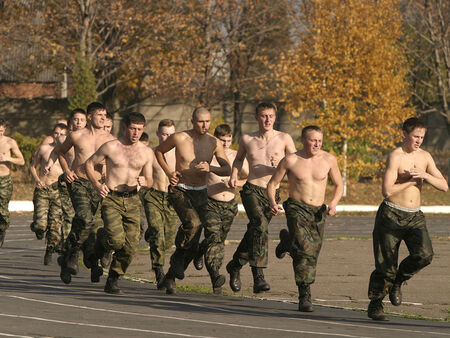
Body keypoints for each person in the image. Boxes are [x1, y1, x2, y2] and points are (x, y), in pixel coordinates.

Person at [367, 117, 448, 321]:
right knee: (386, 267)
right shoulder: (396, 156)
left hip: (415, 217)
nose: (419, 140)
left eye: (422, 137)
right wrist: (411, 180)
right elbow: (386, 190)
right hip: (391, 214)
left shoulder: (425, 157)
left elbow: (444, 186)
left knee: (424, 254)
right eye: (415, 136)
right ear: (404, 134)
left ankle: (398, 281)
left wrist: (425, 176)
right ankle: (376, 303)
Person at [267, 125, 343, 312]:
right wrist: (272, 202)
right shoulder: (291, 160)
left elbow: (339, 184)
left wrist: (333, 203)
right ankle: (304, 294)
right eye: (312, 140)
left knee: (313, 249)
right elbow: (273, 184)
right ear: (303, 140)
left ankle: (288, 244)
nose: (316, 144)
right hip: (296, 208)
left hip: (318, 210)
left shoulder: (329, 159)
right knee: (305, 248)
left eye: (319, 140)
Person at [155, 107, 231, 294]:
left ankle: (171, 275)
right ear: (192, 121)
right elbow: (158, 152)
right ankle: (179, 262)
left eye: (207, 121)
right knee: (193, 224)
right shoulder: (180, 138)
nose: (205, 125)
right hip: (180, 189)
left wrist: (211, 168)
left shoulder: (214, 142)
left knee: (205, 234)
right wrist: (169, 172)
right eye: (200, 121)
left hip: (201, 192)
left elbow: (227, 169)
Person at [226, 102, 296, 294]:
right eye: (264, 116)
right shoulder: (247, 139)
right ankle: (259, 276)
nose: (267, 120)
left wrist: (281, 166)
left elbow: (295, 163)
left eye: (271, 116)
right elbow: (239, 159)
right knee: (260, 225)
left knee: (255, 231)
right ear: (257, 117)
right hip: (252, 190)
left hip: (272, 192)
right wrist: (234, 175)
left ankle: (235, 264)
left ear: (275, 118)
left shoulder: (284, 138)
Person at [48, 102, 115, 284]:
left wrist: (106, 170)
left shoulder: (110, 139)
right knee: (85, 218)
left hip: (99, 186)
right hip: (79, 182)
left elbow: (113, 160)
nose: (103, 118)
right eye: (99, 115)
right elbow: (60, 152)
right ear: (90, 117)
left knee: (92, 227)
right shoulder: (77, 135)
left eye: (105, 115)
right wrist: (67, 170)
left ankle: (79, 257)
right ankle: (73, 255)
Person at [86, 112, 154, 294]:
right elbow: (89, 164)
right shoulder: (111, 147)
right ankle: (101, 240)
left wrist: (145, 182)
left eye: (139, 129)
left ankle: (113, 279)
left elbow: (150, 179)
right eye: (132, 128)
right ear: (124, 127)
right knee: (116, 240)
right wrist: (97, 184)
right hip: (112, 198)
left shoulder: (146, 152)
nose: (135, 133)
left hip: (132, 200)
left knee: (130, 245)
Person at [195, 124, 249, 293]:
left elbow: (249, 177)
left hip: (230, 204)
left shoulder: (236, 157)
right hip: (211, 203)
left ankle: (200, 250)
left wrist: (236, 182)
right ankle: (216, 275)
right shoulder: (208, 157)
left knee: (218, 239)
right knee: (214, 237)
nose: (225, 144)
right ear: (215, 140)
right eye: (222, 141)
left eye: (228, 140)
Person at [140, 120, 179, 288]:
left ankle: (151, 233)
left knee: (168, 239)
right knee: (158, 232)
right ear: (157, 134)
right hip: (153, 196)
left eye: (170, 134)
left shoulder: (179, 155)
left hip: (171, 198)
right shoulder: (151, 153)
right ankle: (158, 270)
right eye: (164, 134)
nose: (167, 137)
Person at [29, 124, 68, 265]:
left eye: (62, 134)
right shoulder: (44, 148)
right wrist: (37, 179)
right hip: (43, 188)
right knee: (41, 223)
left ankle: (50, 250)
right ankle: (38, 227)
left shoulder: (69, 152)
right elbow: (32, 166)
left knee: (55, 224)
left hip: (58, 190)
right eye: (56, 133)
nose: (59, 136)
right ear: (53, 134)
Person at [58, 109, 88, 245]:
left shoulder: (91, 137)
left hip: (88, 181)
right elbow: (56, 153)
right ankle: (67, 245)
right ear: (71, 121)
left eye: (82, 120)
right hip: (71, 179)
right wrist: (65, 170)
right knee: (69, 214)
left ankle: (75, 245)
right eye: (76, 119)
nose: (79, 122)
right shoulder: (66, 138)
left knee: (83, 217)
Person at [0, 119, 25, 247]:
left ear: (4, 129)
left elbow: (22, 161)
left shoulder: (10, 142)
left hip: (4, 179)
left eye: (1, 131)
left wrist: (7, 158)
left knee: (2, 208)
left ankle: (2, 229)